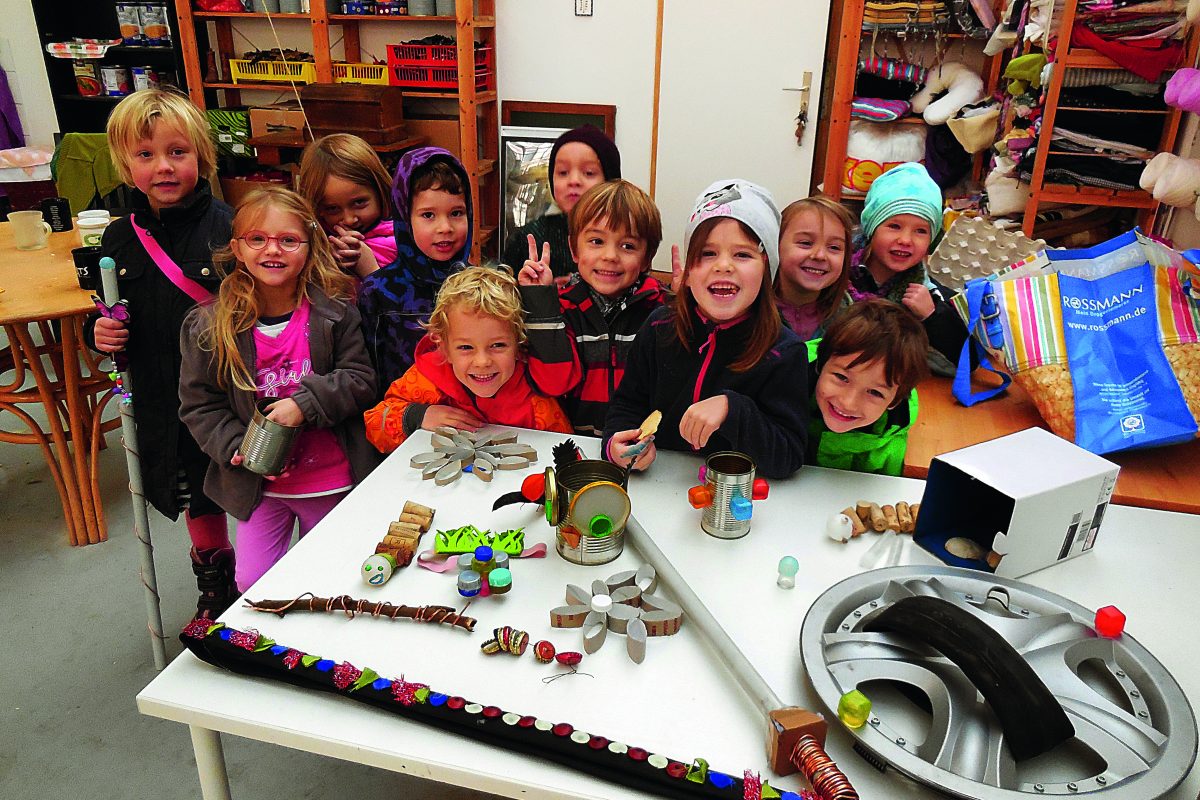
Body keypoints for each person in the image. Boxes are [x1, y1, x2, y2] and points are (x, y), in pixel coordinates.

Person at [178, 187, 380, 592]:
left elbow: (360, 379)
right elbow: (199, 406)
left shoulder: (334, 313)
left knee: (329, 578)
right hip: (260, 487)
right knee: (253, 581)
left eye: (288, 240)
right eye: (257, 239)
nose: (273, 250)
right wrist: (236, 446)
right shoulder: (209, 326)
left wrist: (304, 404)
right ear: (237, 247)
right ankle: (272, 652)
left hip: (330, 480)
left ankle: (316, 652)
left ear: (308, 246)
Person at [83, 88, 236, 617]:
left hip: (224, 394)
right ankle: (216, 584)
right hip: (159, 395)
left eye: (178, 152)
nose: (163, 167)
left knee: (241, 485)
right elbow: (107, 312)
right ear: (126, 164)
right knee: (195, 492)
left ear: (202, 155)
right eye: (146, 155)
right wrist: (96, 332)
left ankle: (271, 565)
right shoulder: (119, 239)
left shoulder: (232, 229)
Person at [603, 180, 809, 480]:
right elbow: (627, 405)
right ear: (688, 274)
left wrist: (733, 409)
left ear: (767, 271)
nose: (723, 265)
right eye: (708, 253)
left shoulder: (783, 351)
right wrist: (616, 446)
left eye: (742, 255)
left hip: (738, 500)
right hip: (659, 487)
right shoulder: (659, 327)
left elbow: (788, 455)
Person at [364, 266, 572, 452]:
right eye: (465, 347)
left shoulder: (534, 396)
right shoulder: (428, 379)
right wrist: (418, 416)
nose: (482, 362)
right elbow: (375, 423)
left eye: (498, 345)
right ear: (443, 346)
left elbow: (564, 453)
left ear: (518, 345)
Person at [518, 180, 667, 436]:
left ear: (647, 257)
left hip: (643, 447)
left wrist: (689, 305)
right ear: (574, 249)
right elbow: (553, 383)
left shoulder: (661, 312)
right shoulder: (560, 308)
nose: (610, 255)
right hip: (575, 443)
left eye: (628, 246)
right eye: (597, 241)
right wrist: (540, 301)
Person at [358, 147, 473, 391]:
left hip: (473, 422)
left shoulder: (480, 287)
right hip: (404, 420)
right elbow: (371, 383)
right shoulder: (379, 292)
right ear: (404, 218)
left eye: (456, 213)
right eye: (428, 215)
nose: (445, 227)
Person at [848, 162, 968, 374]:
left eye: (920, 231)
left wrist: (932, 316)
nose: (905, 240)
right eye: (894, 226)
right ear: (871, 228)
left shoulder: (930, 294)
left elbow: (969, 362)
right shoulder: (837, 275)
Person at [807, 299, 929, 475]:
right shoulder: (781, 384)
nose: (848, 403)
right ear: (821, 365)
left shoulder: (891, 436)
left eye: (875, 392)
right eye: (842, 377)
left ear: (894, 400)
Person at [501, 125, 621, 280]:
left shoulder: (624, 232)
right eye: (563, 172)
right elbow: (504, 292)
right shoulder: (529, 237)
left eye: (589, 173)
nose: (574, 181)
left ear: (610, 180)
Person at [298, 133, 396, 279]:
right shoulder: (309, 244)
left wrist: (370, 270)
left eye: (359, 203)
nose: (349, 220)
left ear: (380, 191)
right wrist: (325, 260)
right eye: (332, 209)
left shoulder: (409, 239)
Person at [774, 195, 856, 341]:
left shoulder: (850, 320)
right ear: (776, 245)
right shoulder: (749, 314)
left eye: (834, 247)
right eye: (806, 243)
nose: (820, 255)